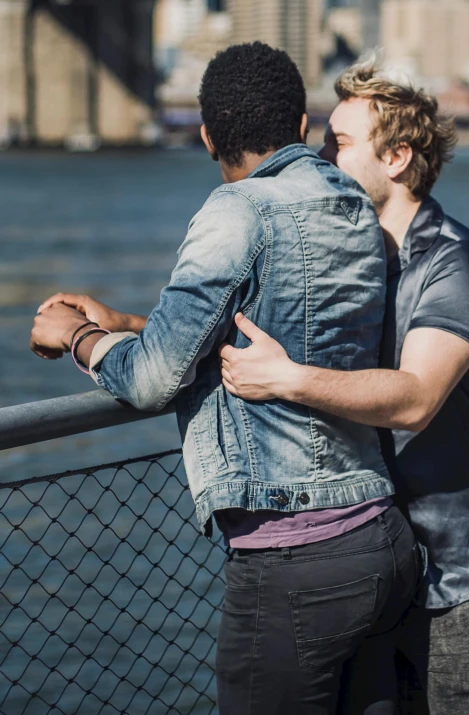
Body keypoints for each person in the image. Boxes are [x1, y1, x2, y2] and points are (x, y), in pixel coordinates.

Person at [30, 43, 419, 715]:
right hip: (379, 541)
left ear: (207, 134)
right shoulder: (354, 205)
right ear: (301, 124)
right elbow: (274, 324)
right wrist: (129, 320)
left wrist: (81, 338)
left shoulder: (236, 211)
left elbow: (153, 379)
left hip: (295, 562)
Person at [218, 55, 469, 715]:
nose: (321, 157)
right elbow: (250, 329)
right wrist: (126, 327)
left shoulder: (457, 260)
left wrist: (288, 379)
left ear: (396, 158)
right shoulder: (352, 260)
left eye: (339, 143)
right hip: (387, 570)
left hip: (465, 583)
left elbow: (416, 396)